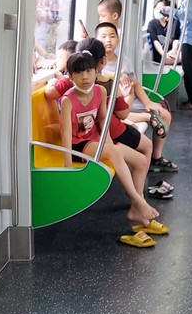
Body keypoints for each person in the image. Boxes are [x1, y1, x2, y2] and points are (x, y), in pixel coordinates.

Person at [59, 50, 158, 227]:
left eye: (89, 71)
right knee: (113, 152)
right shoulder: (68, 100)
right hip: (77, 145)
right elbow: (66, 133)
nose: (85, 76)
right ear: (71, 77)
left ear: (95, 72)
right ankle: (139, 201)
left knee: (141, 161)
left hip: (96, 140)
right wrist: (67, 165)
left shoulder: (100, 90)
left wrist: (109, 141)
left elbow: (103, 119)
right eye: (79, 72)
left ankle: (135, 210)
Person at [95, 21, 179, 172]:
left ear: (118, 40)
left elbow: (135, 83)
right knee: (132, 116)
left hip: (130, 101)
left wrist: (147, 103)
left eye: (112, 36)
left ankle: (156, 157)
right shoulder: (96, 64)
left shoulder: (124, 60)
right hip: (113, 108)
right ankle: (147, 119)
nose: (108, 40)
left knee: (164, 115)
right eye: (103, 36)